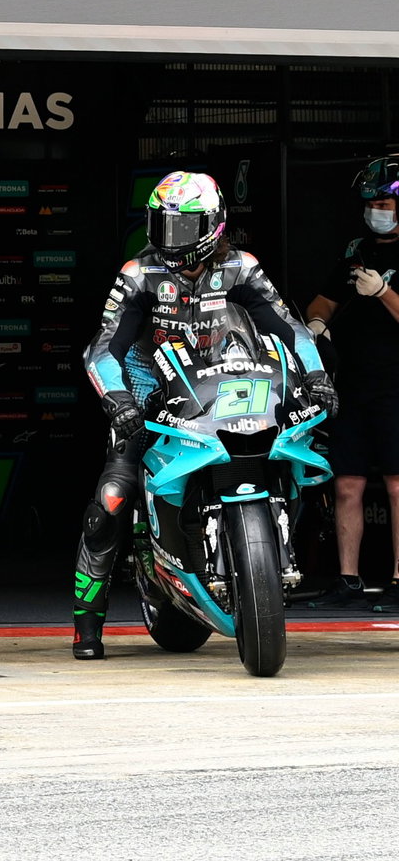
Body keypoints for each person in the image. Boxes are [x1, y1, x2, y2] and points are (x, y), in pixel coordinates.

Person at [76, 170, 338, 659]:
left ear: (213, 224)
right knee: (112, 496)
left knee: (305, 448)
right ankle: (86, 624)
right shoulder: (138, 274)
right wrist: (118, 400)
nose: (170, 237)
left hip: (233, 388)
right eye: (162, 225)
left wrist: (318, 376)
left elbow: (290, 329)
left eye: (182, 226)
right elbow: (104, 347)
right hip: (152, 394)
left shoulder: (242, 268)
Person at [304, 153, 399, 610]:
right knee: (347, 483)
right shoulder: (355, 250)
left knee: (398, 485)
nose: (375, 210)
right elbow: (323, 300)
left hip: (397, 385)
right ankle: (348, 579)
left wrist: (383, 292)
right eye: (370, 203)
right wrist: (318, 323)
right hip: (353, 384)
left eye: (383, 203)